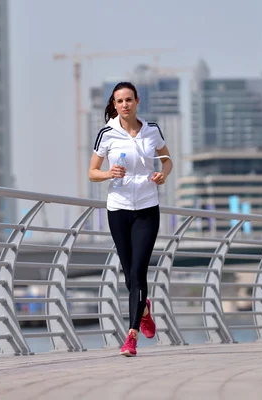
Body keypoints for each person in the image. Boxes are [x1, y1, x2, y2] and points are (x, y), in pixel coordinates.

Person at [88, 81, 172, 357]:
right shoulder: (107, 134)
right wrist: (109, 173)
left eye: (128, 100)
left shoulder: (152, 130)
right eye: (119, 101)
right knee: (129, 275)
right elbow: (92, 172)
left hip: (147, 207)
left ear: (137, 102)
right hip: (119, 209)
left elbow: (167, 159)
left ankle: (131, 335)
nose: (124, 105)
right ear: (114, 105)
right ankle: (144, 310)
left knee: (138, 271)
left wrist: (163, 173)